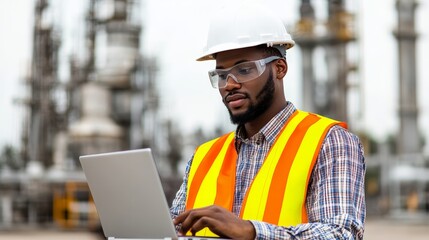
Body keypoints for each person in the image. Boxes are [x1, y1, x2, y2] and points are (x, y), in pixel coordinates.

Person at [171, 2, 366, 240]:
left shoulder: (329, 142)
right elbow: (172, 229)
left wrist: (252, 232)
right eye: (222, 75)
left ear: (280, 68)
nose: (230, 84)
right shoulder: (204, 157)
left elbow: (341, 233)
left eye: (244, 70)